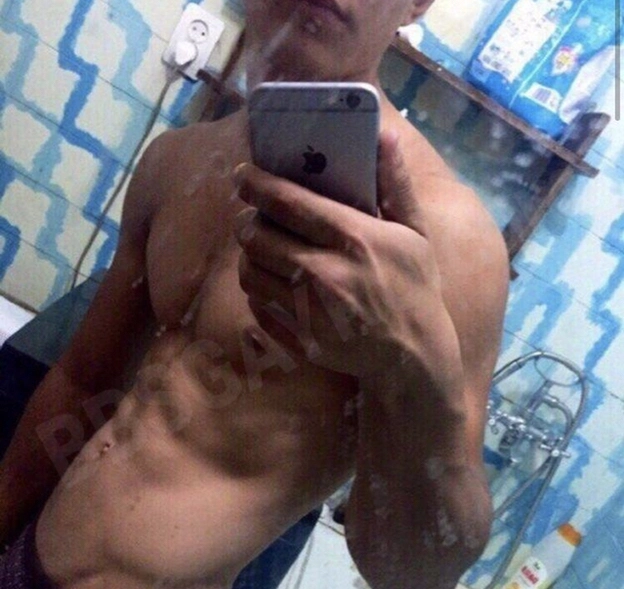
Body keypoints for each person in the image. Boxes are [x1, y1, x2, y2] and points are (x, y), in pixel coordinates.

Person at [0, 0, 510, 587]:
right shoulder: (177, 159)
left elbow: (417, 574)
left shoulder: (449, 240)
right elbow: (82, 382)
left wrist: (411, 364)